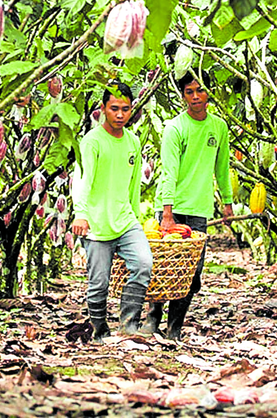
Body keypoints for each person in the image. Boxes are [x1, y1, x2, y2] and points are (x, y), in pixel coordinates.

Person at [143, 71, 233, 340]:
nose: (195, 97)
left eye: (200, 90)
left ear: (209, 92)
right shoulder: (175, 128)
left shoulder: (219, 127)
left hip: (199, 211)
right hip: (173, 208)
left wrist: (227, 203)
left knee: (192, 273)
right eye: (189, 92)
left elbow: (222, 167)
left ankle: (175, 328)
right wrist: (167, 214)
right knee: (164, 268)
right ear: (183, 96)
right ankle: (151, 322)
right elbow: (168, 172)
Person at [70, 82, 152, 342]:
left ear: (131, 110)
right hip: (96, 224)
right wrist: (80, 213)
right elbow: (82, 179)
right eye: (114, 108)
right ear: (103, 109)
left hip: (125, 220)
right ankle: (99, 332)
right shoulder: (92, 141)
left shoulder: (133, 142)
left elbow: (133, 184)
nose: (119, 115)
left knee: (143, 264)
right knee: (99, 284)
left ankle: (129, 325)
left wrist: (136, 217)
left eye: (125, 109)